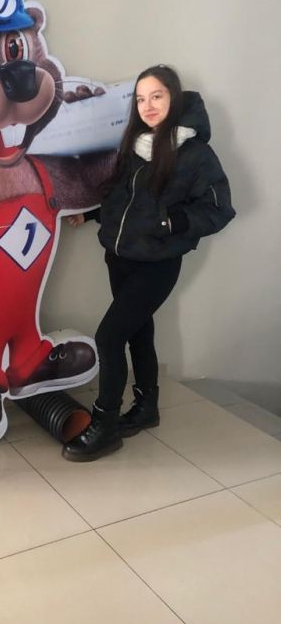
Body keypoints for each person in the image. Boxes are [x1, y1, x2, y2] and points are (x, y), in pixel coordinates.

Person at [63, 64, 235, 462]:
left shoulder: (194, 153)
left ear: (174, 97)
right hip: (120, 257)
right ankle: (146, 408)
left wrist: (169, 223)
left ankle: (105, 424)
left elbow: (218, 209)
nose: (148, 106)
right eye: (141, 99)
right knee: (137, 333)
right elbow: (125, 199)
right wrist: (92, 215)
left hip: (157, 263)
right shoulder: (136, 144)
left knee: (108, 337)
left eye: (156, 96)